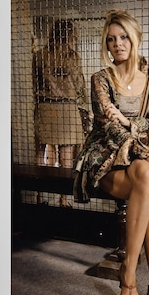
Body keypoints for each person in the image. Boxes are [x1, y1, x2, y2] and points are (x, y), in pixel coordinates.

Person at [73, 9, 149, 295]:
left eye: (124, 37)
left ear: (135, 39)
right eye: (112, 39)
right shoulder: (100, 79)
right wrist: (144, 139)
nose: (118, 43)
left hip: (139, 165)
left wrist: (129, 121)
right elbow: (109, 128)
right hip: (105, 164)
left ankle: (133, 274)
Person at [32, 19, 90, 207]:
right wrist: (85, 106)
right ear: (70, 35)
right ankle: (63, 199)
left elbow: (34, 82)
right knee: (66, 157)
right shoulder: (72, 57)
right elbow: (79, 84)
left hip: (45, 106)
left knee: (41, 154)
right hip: (67, 108)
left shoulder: (39, 55)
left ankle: (40, 196)